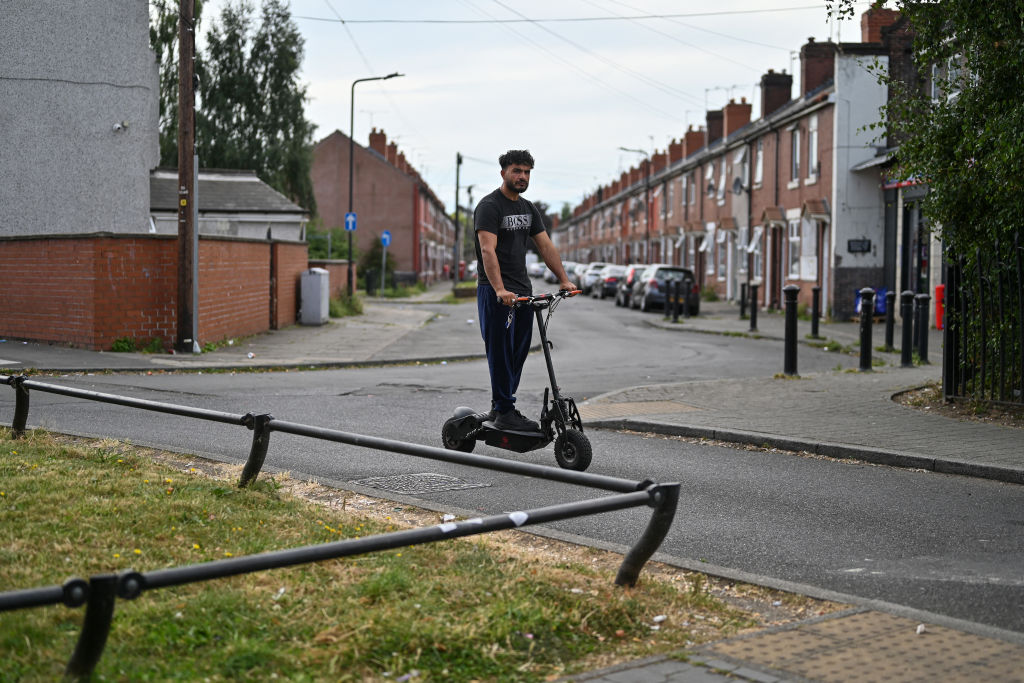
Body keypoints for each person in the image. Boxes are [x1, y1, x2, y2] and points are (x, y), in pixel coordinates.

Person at [473, 149, 576, 432]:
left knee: (518, 352)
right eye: (517, 171)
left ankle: (501, 406)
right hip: (497, 293)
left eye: (527, 172)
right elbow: (487, 250)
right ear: (504, 172)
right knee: (500, 353)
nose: (522, 177)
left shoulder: (528, 209)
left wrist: (564, 280)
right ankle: (505, 409)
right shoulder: (490, 206)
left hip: (523, 294)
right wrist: (499, 289)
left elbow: (545, 246)